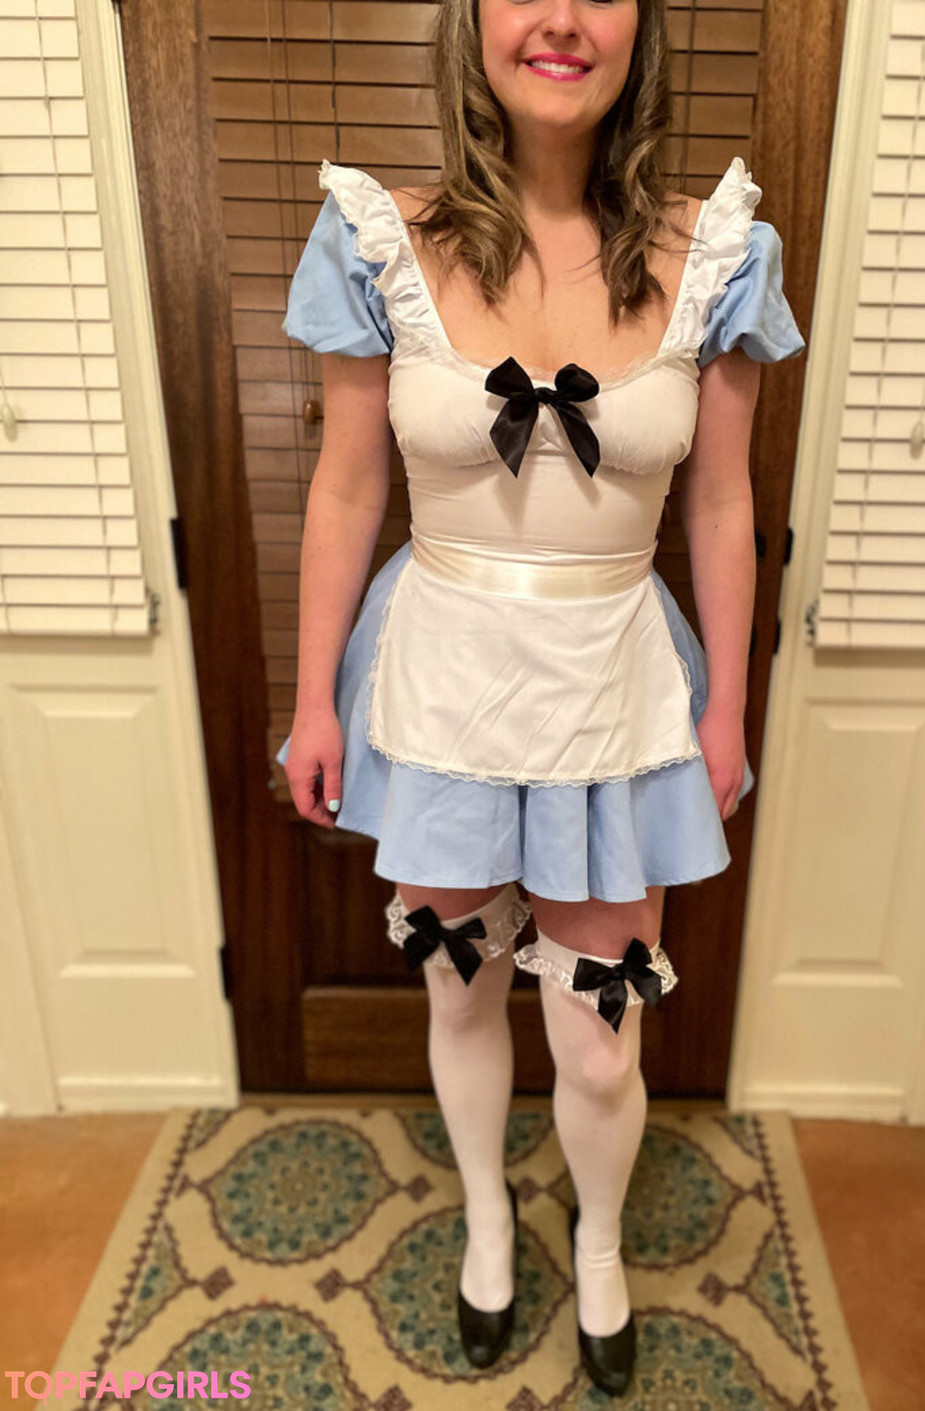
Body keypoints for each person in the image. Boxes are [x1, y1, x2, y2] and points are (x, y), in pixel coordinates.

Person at [276, 0, 806, 1393]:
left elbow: (724, 504)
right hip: (436, 684)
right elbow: (347, 486)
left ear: (641, 26)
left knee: (599, 1038)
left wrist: (727, 711)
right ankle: (489, 1220)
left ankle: (601, 1240)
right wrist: (314, 700)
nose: (562, 16)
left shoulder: (716, 251)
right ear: (473, 19)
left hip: (618, 689)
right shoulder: (379, 238)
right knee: (459, 996)